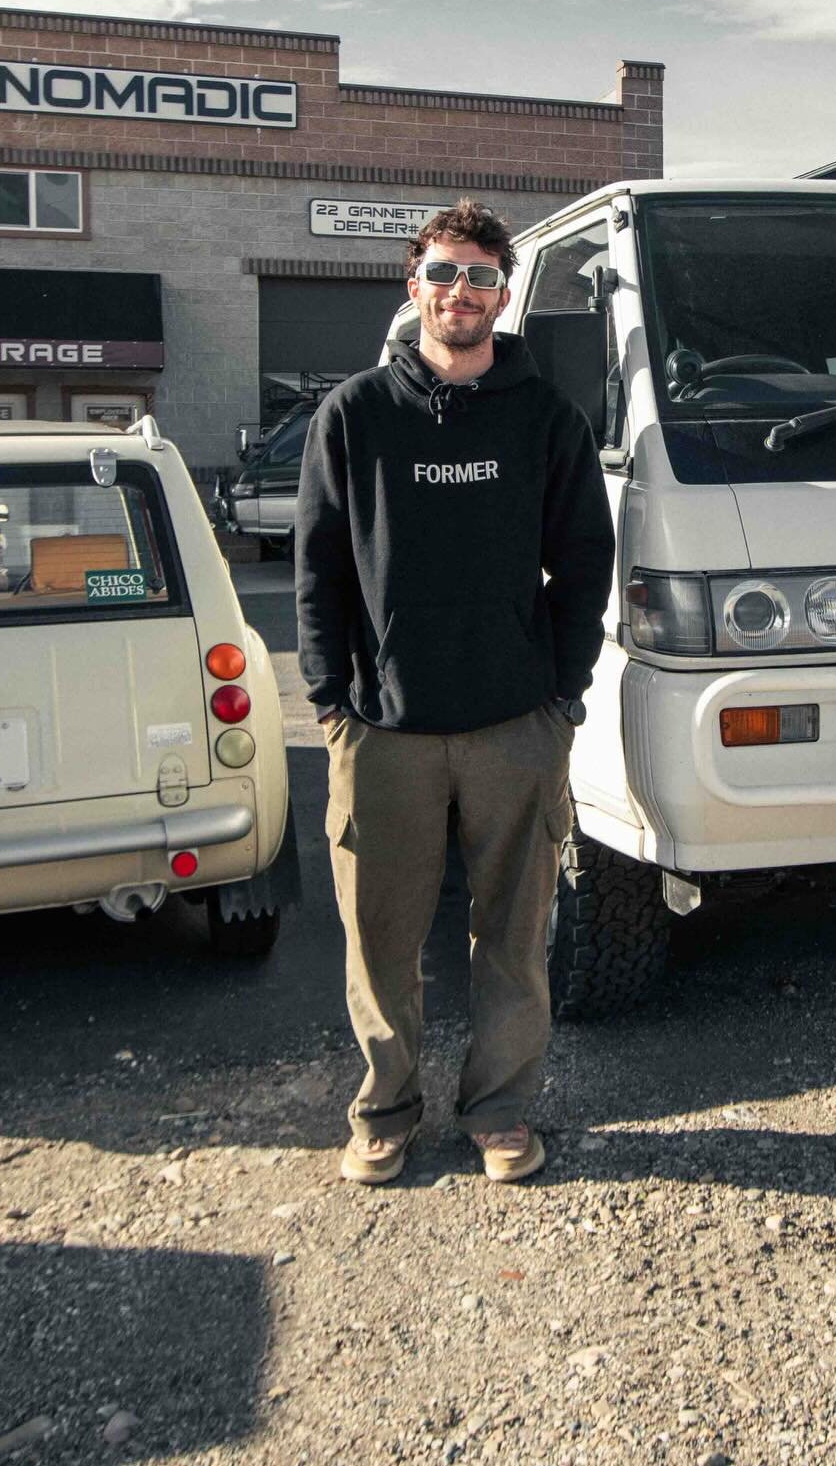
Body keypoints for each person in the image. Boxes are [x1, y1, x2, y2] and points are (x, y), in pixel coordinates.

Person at [296, 198, 615, 1186]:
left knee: (513, 939)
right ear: (413, 284)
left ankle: (502, 1108)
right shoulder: (354, 414)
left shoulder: (545, 418)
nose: (460, 292)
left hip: (514, 726)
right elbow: (317, 572)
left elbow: (585, 561)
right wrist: (329, 699)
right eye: (443, 272)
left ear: (503, 295)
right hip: (384, 729)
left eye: (480, 275)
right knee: (382, 935)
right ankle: (385, 1109)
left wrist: (562, 691)